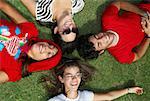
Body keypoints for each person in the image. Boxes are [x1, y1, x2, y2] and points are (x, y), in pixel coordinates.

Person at [0, 0, 62, 84]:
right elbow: (5, 7)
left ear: (42, 62)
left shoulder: (16, 70)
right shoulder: (31, 31)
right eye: (50, 46)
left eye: (48, 54)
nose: (46, 48)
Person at [77, 1, 150, 64]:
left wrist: (143, 13)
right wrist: (148, 35)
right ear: (101, 51)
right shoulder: (121, 56)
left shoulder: (107, 20)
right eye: (99, 44)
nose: (103, 38)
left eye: (97, 37)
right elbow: (137, 55)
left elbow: (118, 3)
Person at [46, 59, 143, 101]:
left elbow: (109, 96)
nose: (74, 79)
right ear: (61, 79)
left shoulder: (85, 95)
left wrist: (129, 90)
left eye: (77, 74)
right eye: (69, 75)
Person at [19, 0, 84, 54]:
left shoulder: (42, 13)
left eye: (66, 31)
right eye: (74, 29)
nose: (70, 26)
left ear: (56, 30)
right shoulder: (78, 4)